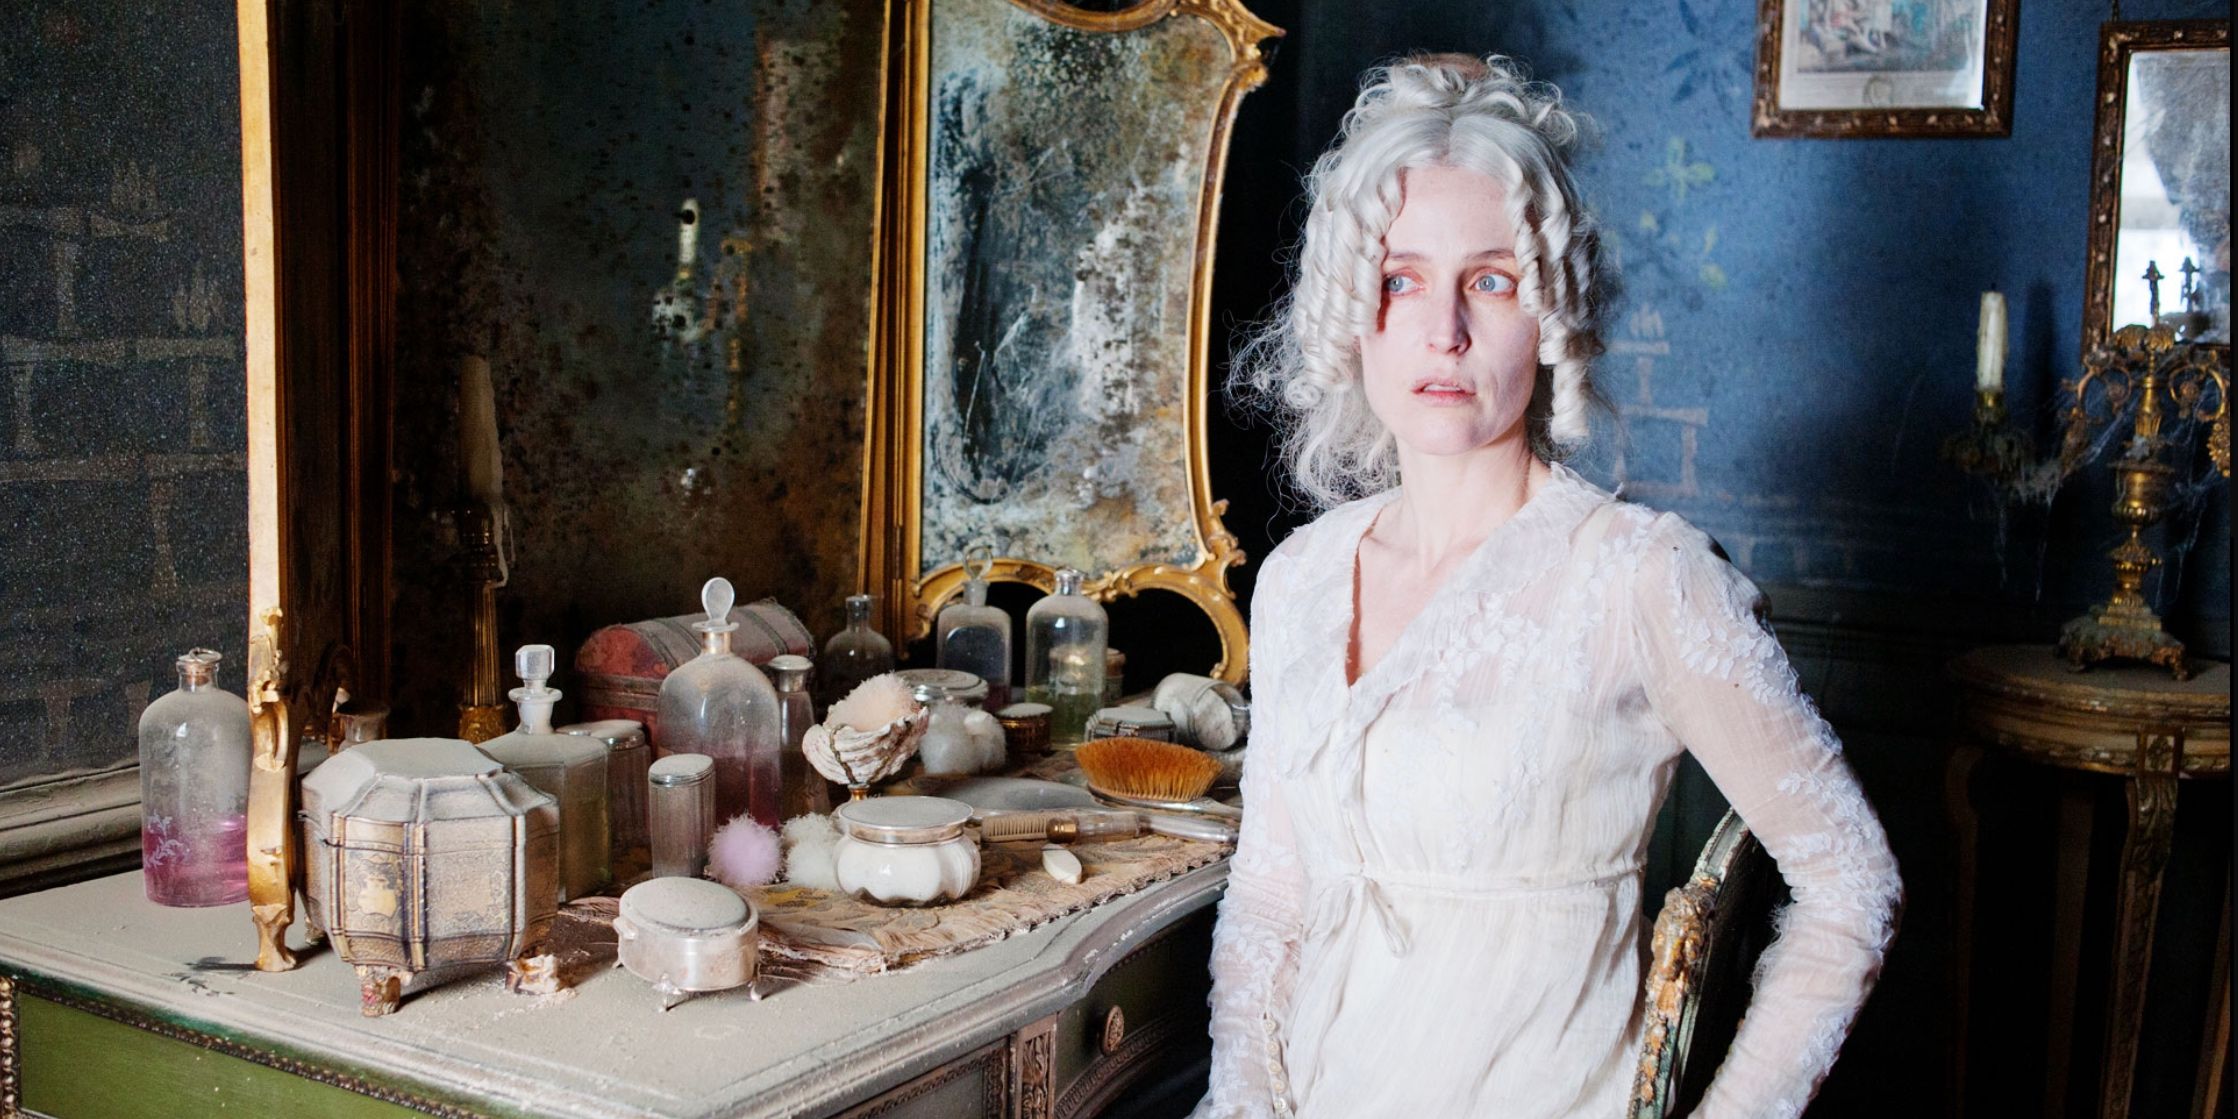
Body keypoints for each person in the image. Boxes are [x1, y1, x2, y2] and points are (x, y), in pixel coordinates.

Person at [1193, 54, 1902, 1118]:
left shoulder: (1637, 577)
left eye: (1490, 280)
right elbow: (1269, 902)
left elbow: (1851, 884)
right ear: (1354, 310)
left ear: (1553, 311)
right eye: (1400, 280)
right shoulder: (1299, 578)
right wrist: (1243, 1103)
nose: (1443, 332)